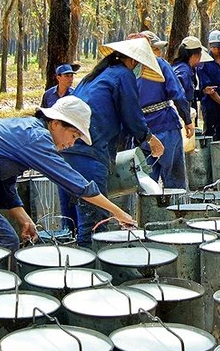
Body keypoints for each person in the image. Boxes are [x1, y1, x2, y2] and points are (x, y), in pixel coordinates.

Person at [0, 96, 135, 251]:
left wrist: (24, 219)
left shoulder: (23, 130)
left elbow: (5, 185)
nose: (71, 143)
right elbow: (75, 183)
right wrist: (117, 212)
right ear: (56, 123)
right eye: (73, 135)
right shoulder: (36, 138)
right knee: (4, 241)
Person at [61, 38, 164, 247]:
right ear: (134, 62)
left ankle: (71, 271)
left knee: (70, 224)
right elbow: (132, 116)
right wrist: (150, 139)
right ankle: (94, 273)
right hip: (90, 153)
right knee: (94, 225)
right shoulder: (123, 75)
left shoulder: (93, 77)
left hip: (67, 151)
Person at [133, 31, 192, 189]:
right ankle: (178, 211)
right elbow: (178, 94)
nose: (160, 53)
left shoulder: (127, 71)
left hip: (141, 132)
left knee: (145, 180)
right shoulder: (160, 64)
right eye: (156, 49)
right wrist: (188, 121)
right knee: (174, 178)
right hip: (166, 127)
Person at [172, 36, 214, 120]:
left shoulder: (182, 68)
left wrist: (202, 92)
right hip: (179, 117)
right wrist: (187, 119)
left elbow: (188, 92)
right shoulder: (183, 73)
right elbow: (178, 97)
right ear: (195, 55)